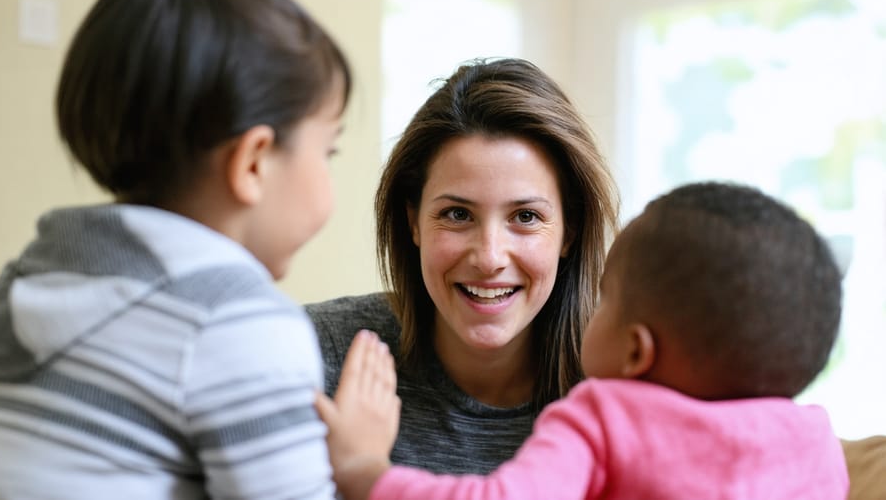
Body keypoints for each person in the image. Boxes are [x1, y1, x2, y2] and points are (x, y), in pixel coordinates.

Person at [0, 0, 350, 498]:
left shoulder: (29, 277)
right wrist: (356, 465)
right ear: (253, 162)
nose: (330, 174)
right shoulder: (237, 321)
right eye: (328, 151)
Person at [317, 181, 849, 500]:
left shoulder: (605, 418)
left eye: (606, 298)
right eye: (457, 214)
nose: (490, 255)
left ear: (636, 350)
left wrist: (368, 473)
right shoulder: (816, 442)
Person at [305, 57, 620, 475]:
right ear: (413, 220)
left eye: (525, 217)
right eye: (457, 214)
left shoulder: (626, 393)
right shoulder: (313, 357)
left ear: (570, 231)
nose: (489, 258)